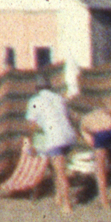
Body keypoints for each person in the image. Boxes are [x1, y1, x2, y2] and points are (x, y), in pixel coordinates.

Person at [23, 74, 80, 212]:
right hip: (69, 136)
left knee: (60, 171)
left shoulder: (34, 101)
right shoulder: (59, 98)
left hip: (55, 138)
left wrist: (28, 141)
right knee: (56, 166)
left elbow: (31, 125)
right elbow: (68, 117)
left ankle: (67, 204)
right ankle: (59, 196)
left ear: (36, 88)